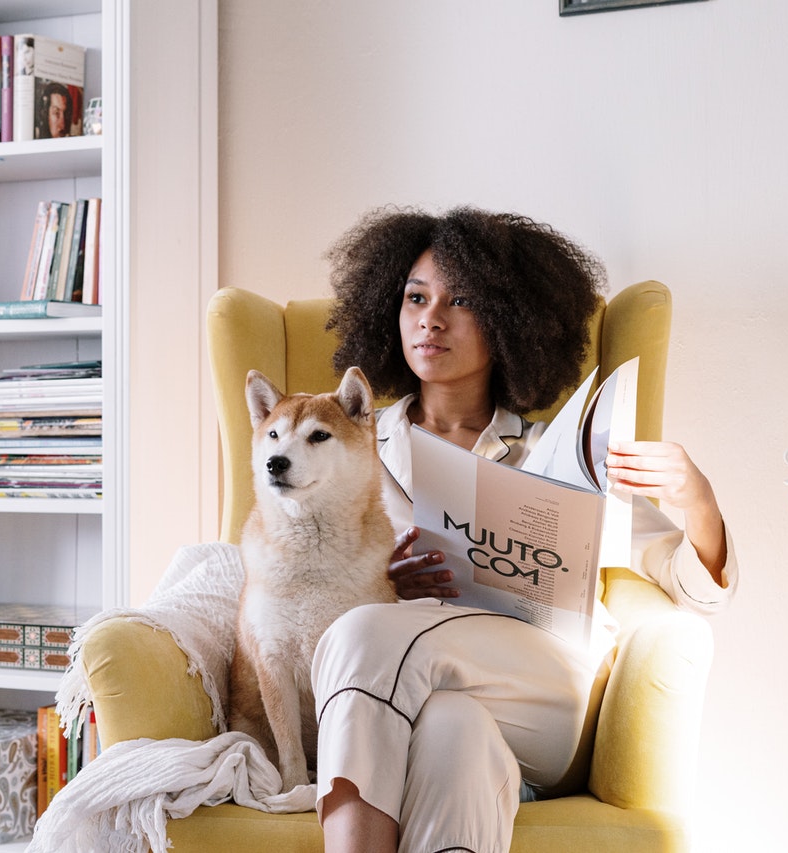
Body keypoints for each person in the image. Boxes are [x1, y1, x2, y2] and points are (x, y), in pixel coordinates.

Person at [311, 205, 738, 853]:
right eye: (415, 298)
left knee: (364, 632)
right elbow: (291, 585)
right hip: (417, 695)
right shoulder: (345, 449)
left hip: (544, 694)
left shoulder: (557, 452)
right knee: (455, 733)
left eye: (461, 300)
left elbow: (698, 585)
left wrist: (697, 496)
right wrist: (375, 577)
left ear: (509, 322)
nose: (431, 317)